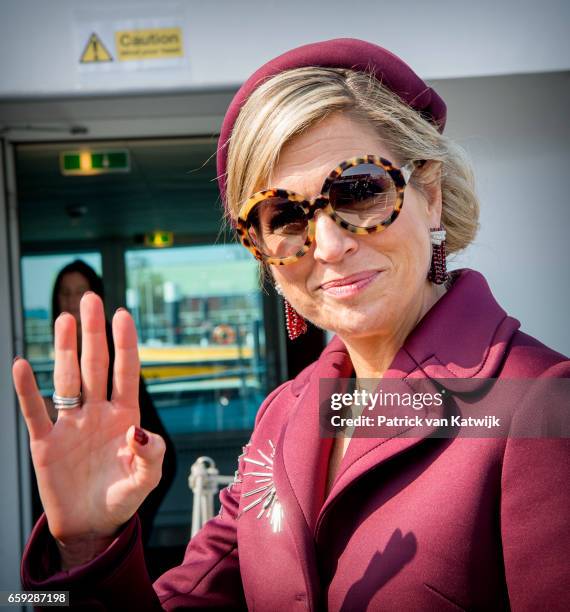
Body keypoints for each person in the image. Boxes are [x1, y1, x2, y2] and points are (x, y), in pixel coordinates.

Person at [13, 39, 569, 610]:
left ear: (428, 192)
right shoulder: (284, 415)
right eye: (283, 216)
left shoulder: (541, 405)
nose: (327, 246)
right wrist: (88, 545)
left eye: (358, 190)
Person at [39, 259, 177, 547]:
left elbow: (91, 408)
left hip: (141, 457)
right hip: (115, 461)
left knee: (125, 552)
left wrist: (50, 408)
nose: (72, 299)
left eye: (80, 291)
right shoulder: (68, 346)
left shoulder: (105, 347)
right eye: (65, 292)